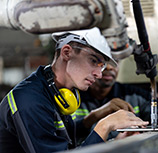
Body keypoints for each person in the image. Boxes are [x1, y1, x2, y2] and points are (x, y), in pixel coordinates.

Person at [0, 27, 149, 153]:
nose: (99, 74)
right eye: (93, 60)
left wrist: (113, 139)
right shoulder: (30, 101)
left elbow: (68, 147)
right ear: (66, 52)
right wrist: (104, 126)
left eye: (102, 66)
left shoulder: (56, 91)